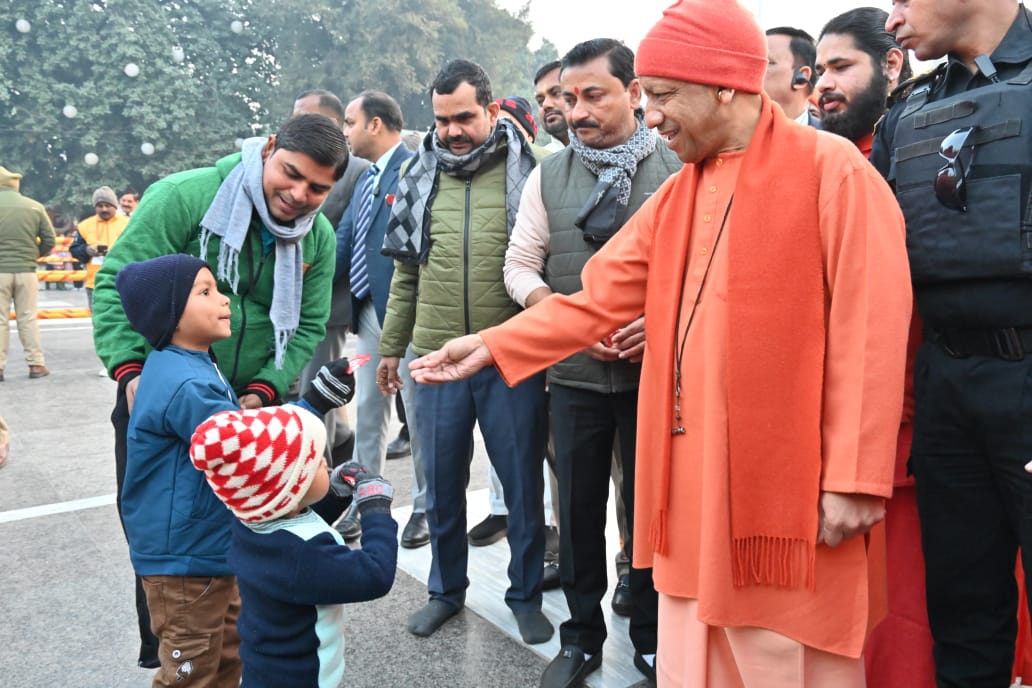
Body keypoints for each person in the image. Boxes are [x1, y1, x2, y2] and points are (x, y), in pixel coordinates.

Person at [410, 1, 913, 685]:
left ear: (726, 86)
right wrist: (495, 345)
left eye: (666, 96)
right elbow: (594, 300)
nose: (652, 116)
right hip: (691, 481)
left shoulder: (835, 174)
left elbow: (873, 332)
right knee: (691, 651)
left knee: (786, 657)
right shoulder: (679, 196)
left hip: (787, 499)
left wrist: (854, 479)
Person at [92, 113, 347, 670]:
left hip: (247, 408)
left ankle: (237, 654)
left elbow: (308, 324)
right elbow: (118, 281)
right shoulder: (188, 196)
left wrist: (263, 391)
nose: (300, 195)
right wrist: (130, 370)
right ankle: (174, 654)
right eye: (291, 174)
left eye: (318, 189)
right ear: (269, 148)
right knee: (169, 530)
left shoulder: (318, 237)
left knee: (249, 533)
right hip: (161, 394)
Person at [504, 37, 680, 687]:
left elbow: (704, 271)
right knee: (578, 515)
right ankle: (579, 638)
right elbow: (520, 265)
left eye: (593, 95)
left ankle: (655, 638)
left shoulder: (677, 165)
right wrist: (561, 314)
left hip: (656, 377)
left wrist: (655, 322)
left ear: (635, 94)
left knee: (654, 513)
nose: (576, 111)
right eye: (568, 97)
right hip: (574, 375)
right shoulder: (549, 173)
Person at [871, 1, 1032, 685]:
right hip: (946, 382)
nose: (893, 18)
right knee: (963, 615)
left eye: (905, 0)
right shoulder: (906, 114)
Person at [114, 253, 356, 686]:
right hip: (185, 562)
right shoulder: (185, 382)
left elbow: (238, 430)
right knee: (191, 674)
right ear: (169, 313)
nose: (224, 300)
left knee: (227, 658)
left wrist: (311, 401)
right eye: (205, 292)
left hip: (205, 548)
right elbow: (246, 446)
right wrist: (312, 408)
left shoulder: (193, 364)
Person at [377, 58, 551, 644]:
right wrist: (390, 350)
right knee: (441, 487)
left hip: (511, 356)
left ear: (494, 109)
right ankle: (444, 592)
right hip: (435, 360)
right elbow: (405, 275)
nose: (451, 131)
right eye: (443, 119)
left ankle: (525, 595)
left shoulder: (536, 174)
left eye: (464, 117)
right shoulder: (419, 173)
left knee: (523, 487)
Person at [813, 9, 925, 686]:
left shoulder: (917, 152)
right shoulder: (825, 161)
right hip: (841, 433)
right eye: (817, 71)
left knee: (908, 623)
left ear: (889, 66)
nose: (822, 85)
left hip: (913, 426)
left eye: (840, 67)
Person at [189, 407, 398, 688]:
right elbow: (375, 574)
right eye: (314, 463)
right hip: (302, 679)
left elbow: (299, 528)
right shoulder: (301, 558)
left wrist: (335, 492)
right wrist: (376, 508)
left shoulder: (250, 523)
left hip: (265, 672)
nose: (325, 462)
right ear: (290, 491)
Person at [333, 89, 429, 549]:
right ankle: (365, 500)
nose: (345, 131)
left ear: (375, 124)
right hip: (370, 310)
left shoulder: (416, 167)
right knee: (370, 409)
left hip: (407, 313)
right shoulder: (366, 178)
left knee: (418, 411)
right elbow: (346, 239)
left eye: (350, 122)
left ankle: (427, 507)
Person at [290, 89, 366, 467]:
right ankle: (338, 449)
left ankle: (315, 474)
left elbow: (348, 243)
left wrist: (309, 277)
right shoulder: (293, 164)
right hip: (290, 298)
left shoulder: (358, 172)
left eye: (304, 115)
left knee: (315, 390)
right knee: (314, 388)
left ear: (334, 123)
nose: (294, 123)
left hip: (327, 301)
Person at [0, 165, 54, 382]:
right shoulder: (35, 207)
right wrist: (33, 256)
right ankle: (36, 364)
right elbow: (49, 240)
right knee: (28, 319)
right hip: (27, 271)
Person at [70, 186, 129, 310]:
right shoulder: (84, 225)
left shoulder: (129, 223)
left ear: (115, 206)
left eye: (107, 205)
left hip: (123, 281)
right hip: (95, 284)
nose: (104, 209)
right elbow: (74, 249)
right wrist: (86, 250)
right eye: (100, 206)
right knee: (99, 321)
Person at [765, 26, 822, 127]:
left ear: (801, 78)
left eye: (767, 62)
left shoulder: (834, 139)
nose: (752, 69)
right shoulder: (730, 135)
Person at [534, 60, 570, 147]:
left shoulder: (605, 149)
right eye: (540, 101)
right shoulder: (542, 159)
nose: (545, 105)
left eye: (556, 93)